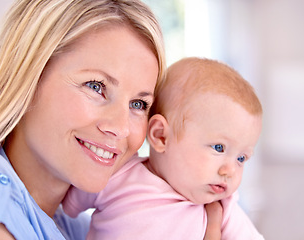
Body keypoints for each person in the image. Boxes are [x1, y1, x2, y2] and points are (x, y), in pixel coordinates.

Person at [0, 0, 166, 239]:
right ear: (28, 75)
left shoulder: (77, 228)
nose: (121, 128)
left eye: (138, 104)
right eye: (96, 86)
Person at [63, 57, 265, 240]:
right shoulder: (116, 174)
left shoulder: (223, 209)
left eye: (241, 158)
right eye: (219, 148)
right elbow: (64, 208)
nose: (230, 171)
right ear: (161, 136)